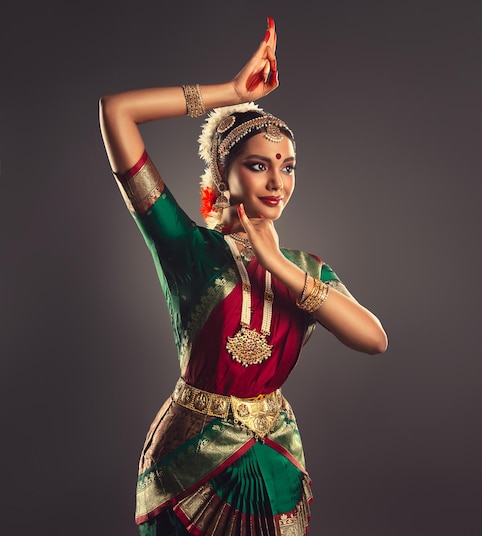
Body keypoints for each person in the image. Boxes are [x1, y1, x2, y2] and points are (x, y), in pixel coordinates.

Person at [99, 17, 388, 536]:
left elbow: (374, 339)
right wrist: (229, 94)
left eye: (288, 166)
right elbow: (117, 112)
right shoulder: (186, 248)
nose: (278, 180)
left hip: (277, 460)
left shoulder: (305, 270)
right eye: (258, 165)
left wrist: (277, 266)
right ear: (222, 172)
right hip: (190, 467)